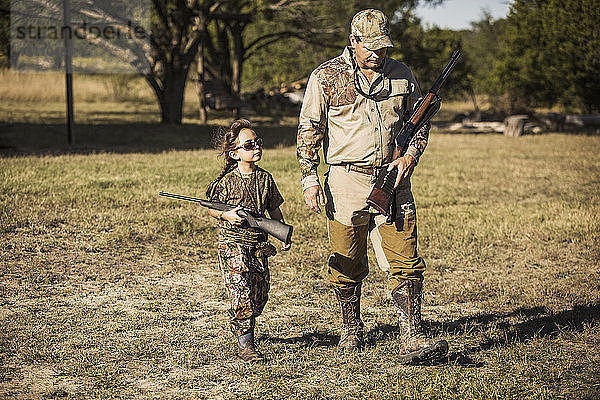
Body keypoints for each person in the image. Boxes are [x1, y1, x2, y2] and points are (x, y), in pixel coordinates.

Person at [297, 9, 448, 363]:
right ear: (354, 41)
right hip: (345, 178)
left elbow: (418, 123)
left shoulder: (402, 75)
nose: (379, 55)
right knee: (347, 258)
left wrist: (410, 156)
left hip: (393, 179)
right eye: (371, 48)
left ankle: (413, 336)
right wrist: (309, 177)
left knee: (405, 258)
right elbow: (309, 129)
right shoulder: (326, 76)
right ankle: (351, 330)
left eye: (384, 47)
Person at [206, 119, 291, 362]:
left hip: (257, 245)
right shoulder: (226, 181)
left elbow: (274, 210)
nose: (256, 147)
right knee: (241, 293)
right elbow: (212, 208)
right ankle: (246, 344)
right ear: (234, 154)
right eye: (249, 145)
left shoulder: (266, 179)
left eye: (257, 142)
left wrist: (281, 233)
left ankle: (246, 326)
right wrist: (225, 214)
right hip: (232, 243)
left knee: (259, 294)